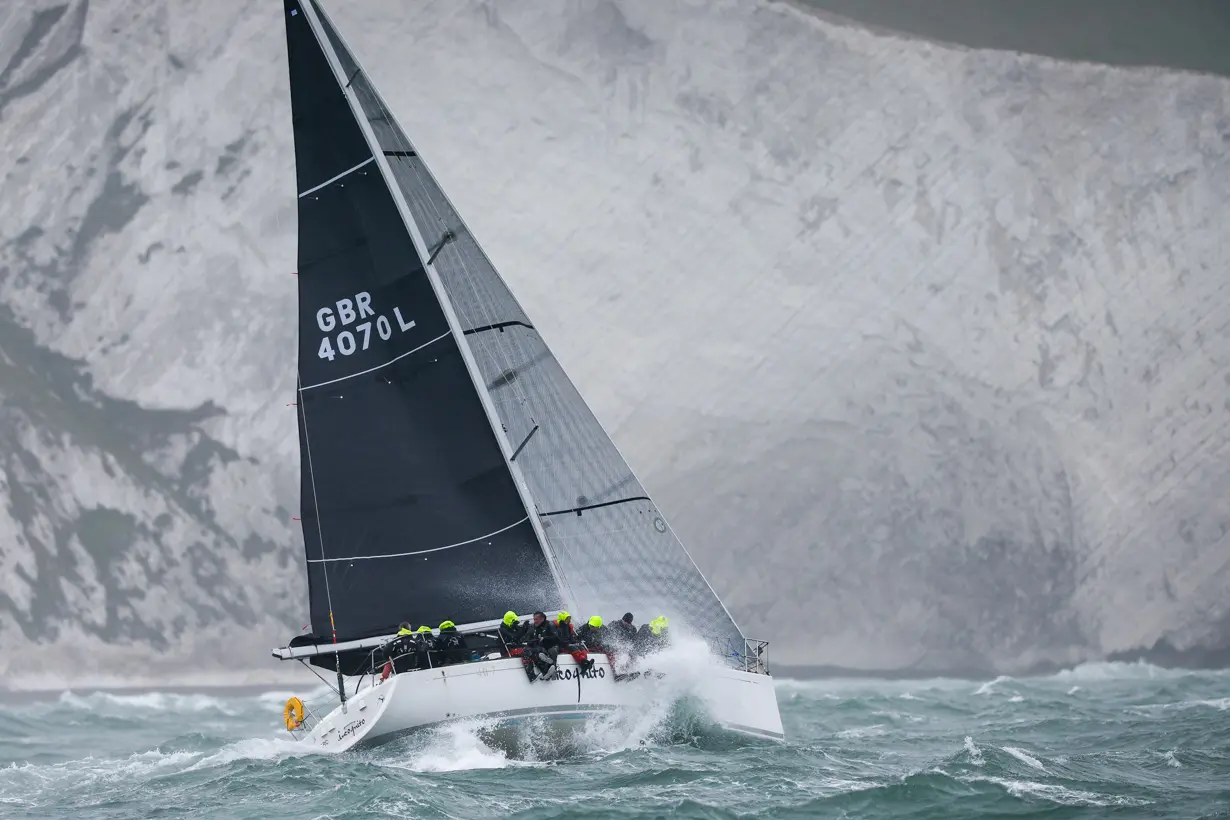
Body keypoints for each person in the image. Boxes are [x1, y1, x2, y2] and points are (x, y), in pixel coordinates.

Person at [523, 610, 560, 681]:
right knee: (530, 652)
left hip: (550, 646)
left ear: (542, 619)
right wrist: (524, 630)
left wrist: (544, 638)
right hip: (539, 647)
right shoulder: (533, 627)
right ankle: (546, 669)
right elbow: (527, 638)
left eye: (536, 619)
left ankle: (552, 667)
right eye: (534, 619)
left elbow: (556, 638)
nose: (535, 621)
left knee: (551, 650)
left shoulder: (550, 625)